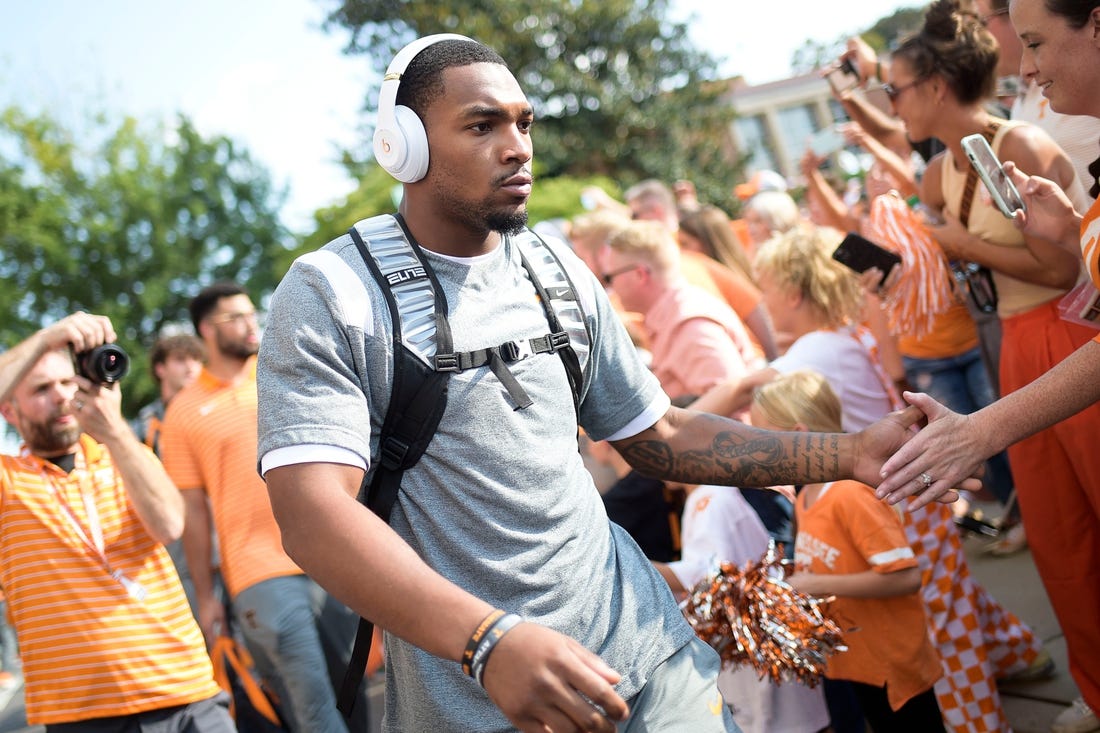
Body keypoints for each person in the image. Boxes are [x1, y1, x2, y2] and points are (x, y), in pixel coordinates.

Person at [255, 34, 940, 733]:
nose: (518, 145)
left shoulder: (555, 270)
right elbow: (312, 516)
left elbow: (661, 433)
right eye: (482, 124)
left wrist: (850, 454)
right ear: (404, 144)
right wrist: (487, 639)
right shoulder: (334, 292)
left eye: (524, 123)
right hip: (482, 706)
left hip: (653, 659)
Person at [880, 1, 1100, 730]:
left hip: (1068, 343)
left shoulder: (1025, 143)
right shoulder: (942, 172)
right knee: (1055, 534)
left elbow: (1063, 269)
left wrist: (958, 243)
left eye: (896, 89)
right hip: (1008, 345)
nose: (892, 105)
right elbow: (947, 272)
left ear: (936, 86)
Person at [0, 312, 233, 729]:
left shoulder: (122, 453)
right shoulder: (8, 481)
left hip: (185, 695)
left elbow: (169, 525)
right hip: (82, 714)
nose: (60, 396)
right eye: (41, 388)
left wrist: (116, 433)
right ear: (9, 412)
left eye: (68, 382)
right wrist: (47, 339)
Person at [160, 283, 368, 733]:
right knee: (311, 706)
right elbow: (193, 514)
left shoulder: (285, 369)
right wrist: (205, 596)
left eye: (250, 313)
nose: (250, 323)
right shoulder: (182, 412)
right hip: (256, 571)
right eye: (234, 317)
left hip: (333, 552)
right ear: (206, 331)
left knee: (354, 693)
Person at [752, 370, 946, 733]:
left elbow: (905, 576)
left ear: (797, 436)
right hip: (857, 661)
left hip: (892, 667)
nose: (755, 450)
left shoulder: (850, 493)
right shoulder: (806, 494)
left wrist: (820, 582)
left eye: (762, 437)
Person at [652, 475, 831, 733]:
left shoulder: (709, 499)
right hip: (758, 635)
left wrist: (633, 564)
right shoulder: (711, 495)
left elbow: (709, 573)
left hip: (752, 639)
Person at [602, 219, 760, 402]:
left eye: (610, 277)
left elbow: (735, 403)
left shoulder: (691, 326)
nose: (610, 287)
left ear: (640, 274)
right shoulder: (675, 314)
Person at [132, 331, 209, 615]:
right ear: (160, 368)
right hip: (173, 540)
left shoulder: (214, 412)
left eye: (196, 359)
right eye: (180, 360)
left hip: (221, 532)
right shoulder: (143, 426)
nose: (191, 367)